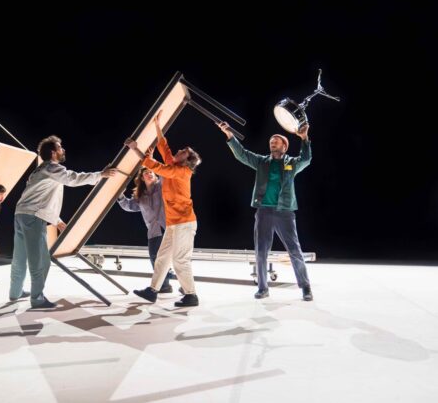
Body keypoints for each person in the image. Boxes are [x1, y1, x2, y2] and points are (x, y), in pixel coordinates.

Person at [9, 135, 117, 307]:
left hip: (21, 214)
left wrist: (57, 220)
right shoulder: (52, 167)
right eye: (60, 147)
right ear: (53, 153)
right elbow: (73, 179)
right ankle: (37, 299)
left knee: (20, 257)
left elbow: (41, 197)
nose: (63, 149)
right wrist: (101, 175)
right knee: (41, 261)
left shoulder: (40, 170)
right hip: (33, 217)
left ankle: (15, 292)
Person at [217, 120, 313, 301]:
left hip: (284, 212)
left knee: (294, 250)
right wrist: (229, 135)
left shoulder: (291, 163)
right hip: (264, 212)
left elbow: (306, 159)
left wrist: (304, 138)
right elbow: (242, 154)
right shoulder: (262, 162)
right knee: (261, 251)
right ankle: (263, 288)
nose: (272, 143)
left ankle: (305, 287)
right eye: (271, 141)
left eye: (276, 141)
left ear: (284, 146)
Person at [126, 110, 202, 307]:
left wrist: (135, 149)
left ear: (186, 160)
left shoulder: (182, 171)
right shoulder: (173, 164)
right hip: (172, 223)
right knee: (162, 257)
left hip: (184, 223)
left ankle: (191, 295)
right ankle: (153, 291)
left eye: (183, 152)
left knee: (179, 260)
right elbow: (164, 147)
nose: (179, 150)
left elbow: (157, 167)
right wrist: (157, 126)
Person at [117, 167, 174, 293]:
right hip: (153, 231)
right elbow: (129, 206)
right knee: (154, 258)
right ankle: (165, 285)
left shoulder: (161, 186)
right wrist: (120, 195)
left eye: (151, 172)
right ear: (142, 178)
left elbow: (166, 174)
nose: (149, 174)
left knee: (170, 258)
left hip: (167, 228)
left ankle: (176, 282)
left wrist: (153, 164)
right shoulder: (140, 195)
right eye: (146, 173)